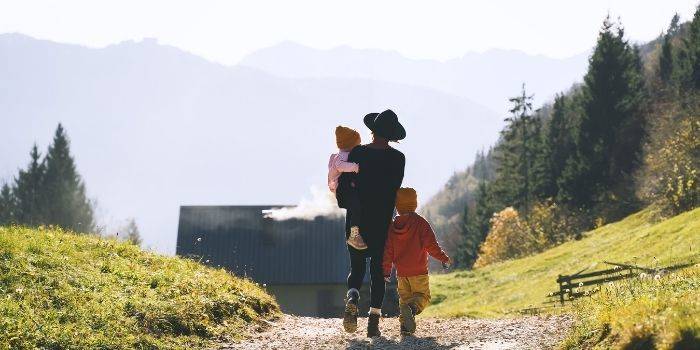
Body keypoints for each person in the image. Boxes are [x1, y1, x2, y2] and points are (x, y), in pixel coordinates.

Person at [342, 109, 405, 338]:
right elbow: (394, 188)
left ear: (372, 130)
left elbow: (346, 184)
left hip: (356, 221)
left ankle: (352, 297)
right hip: (381, 222)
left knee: (356, 267)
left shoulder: (357, 152)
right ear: (392, 135)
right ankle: (373, 322)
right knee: (378, 271)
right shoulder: (398, 158)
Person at [382, 187, 451, 336]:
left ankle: (405, 327)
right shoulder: (420, 223)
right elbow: (431, 245)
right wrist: (443, 258)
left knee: (404, 299)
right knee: (423, 296)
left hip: (401, 273)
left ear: (397, 205)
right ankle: (412, 310)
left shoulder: (392, 227)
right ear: (414, 203)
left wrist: (386, 271)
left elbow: (388, 251)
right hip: (418, 271)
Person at [328, 126, 367, 250]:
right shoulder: (342, 156)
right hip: (341, 188)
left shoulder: (344, 154)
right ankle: (354, 234)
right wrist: (355, 167)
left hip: (342, 187)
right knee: (356, 207)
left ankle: (355, 232)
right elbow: (340, 166)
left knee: (357, 207)